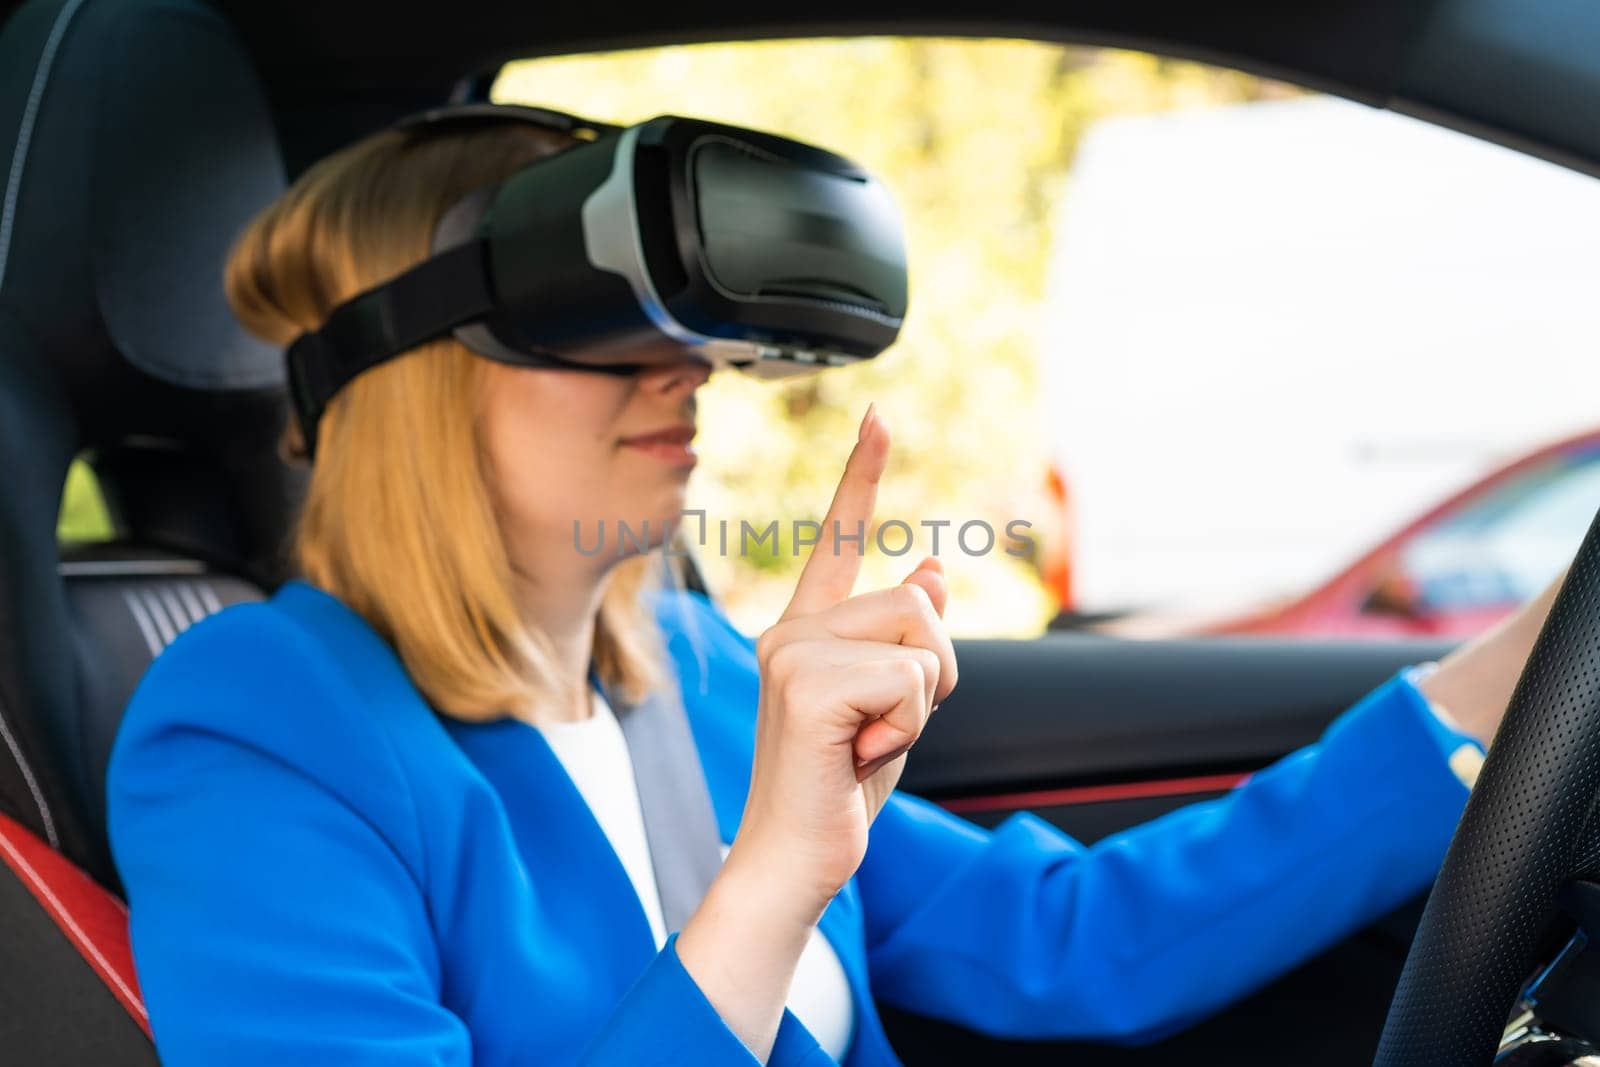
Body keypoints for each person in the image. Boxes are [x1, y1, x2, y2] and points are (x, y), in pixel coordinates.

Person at [107, 113, 1557, 1067]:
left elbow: (1075, 939)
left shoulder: (690, 665)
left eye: (691, 328)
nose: (686, 371)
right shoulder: (256, 730)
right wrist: (770, 886)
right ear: (411, 376)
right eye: (601, 320)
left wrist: (1516, 678)